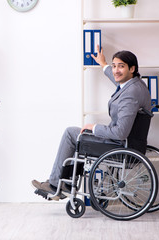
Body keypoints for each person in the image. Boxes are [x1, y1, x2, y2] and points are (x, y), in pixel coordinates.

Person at [32, 47, 151, 200]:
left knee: (71, 133)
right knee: (81, 136)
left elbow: (120, 132)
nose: (116, 70)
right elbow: (115, 77)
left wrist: (94, 127)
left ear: (132, 68)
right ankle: (65, 184)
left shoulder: (130, 93)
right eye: (114, 66)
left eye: (121, 66)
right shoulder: (134, 84)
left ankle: (56, 184)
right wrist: (104, 64)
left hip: (120, 146)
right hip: (130, 143)